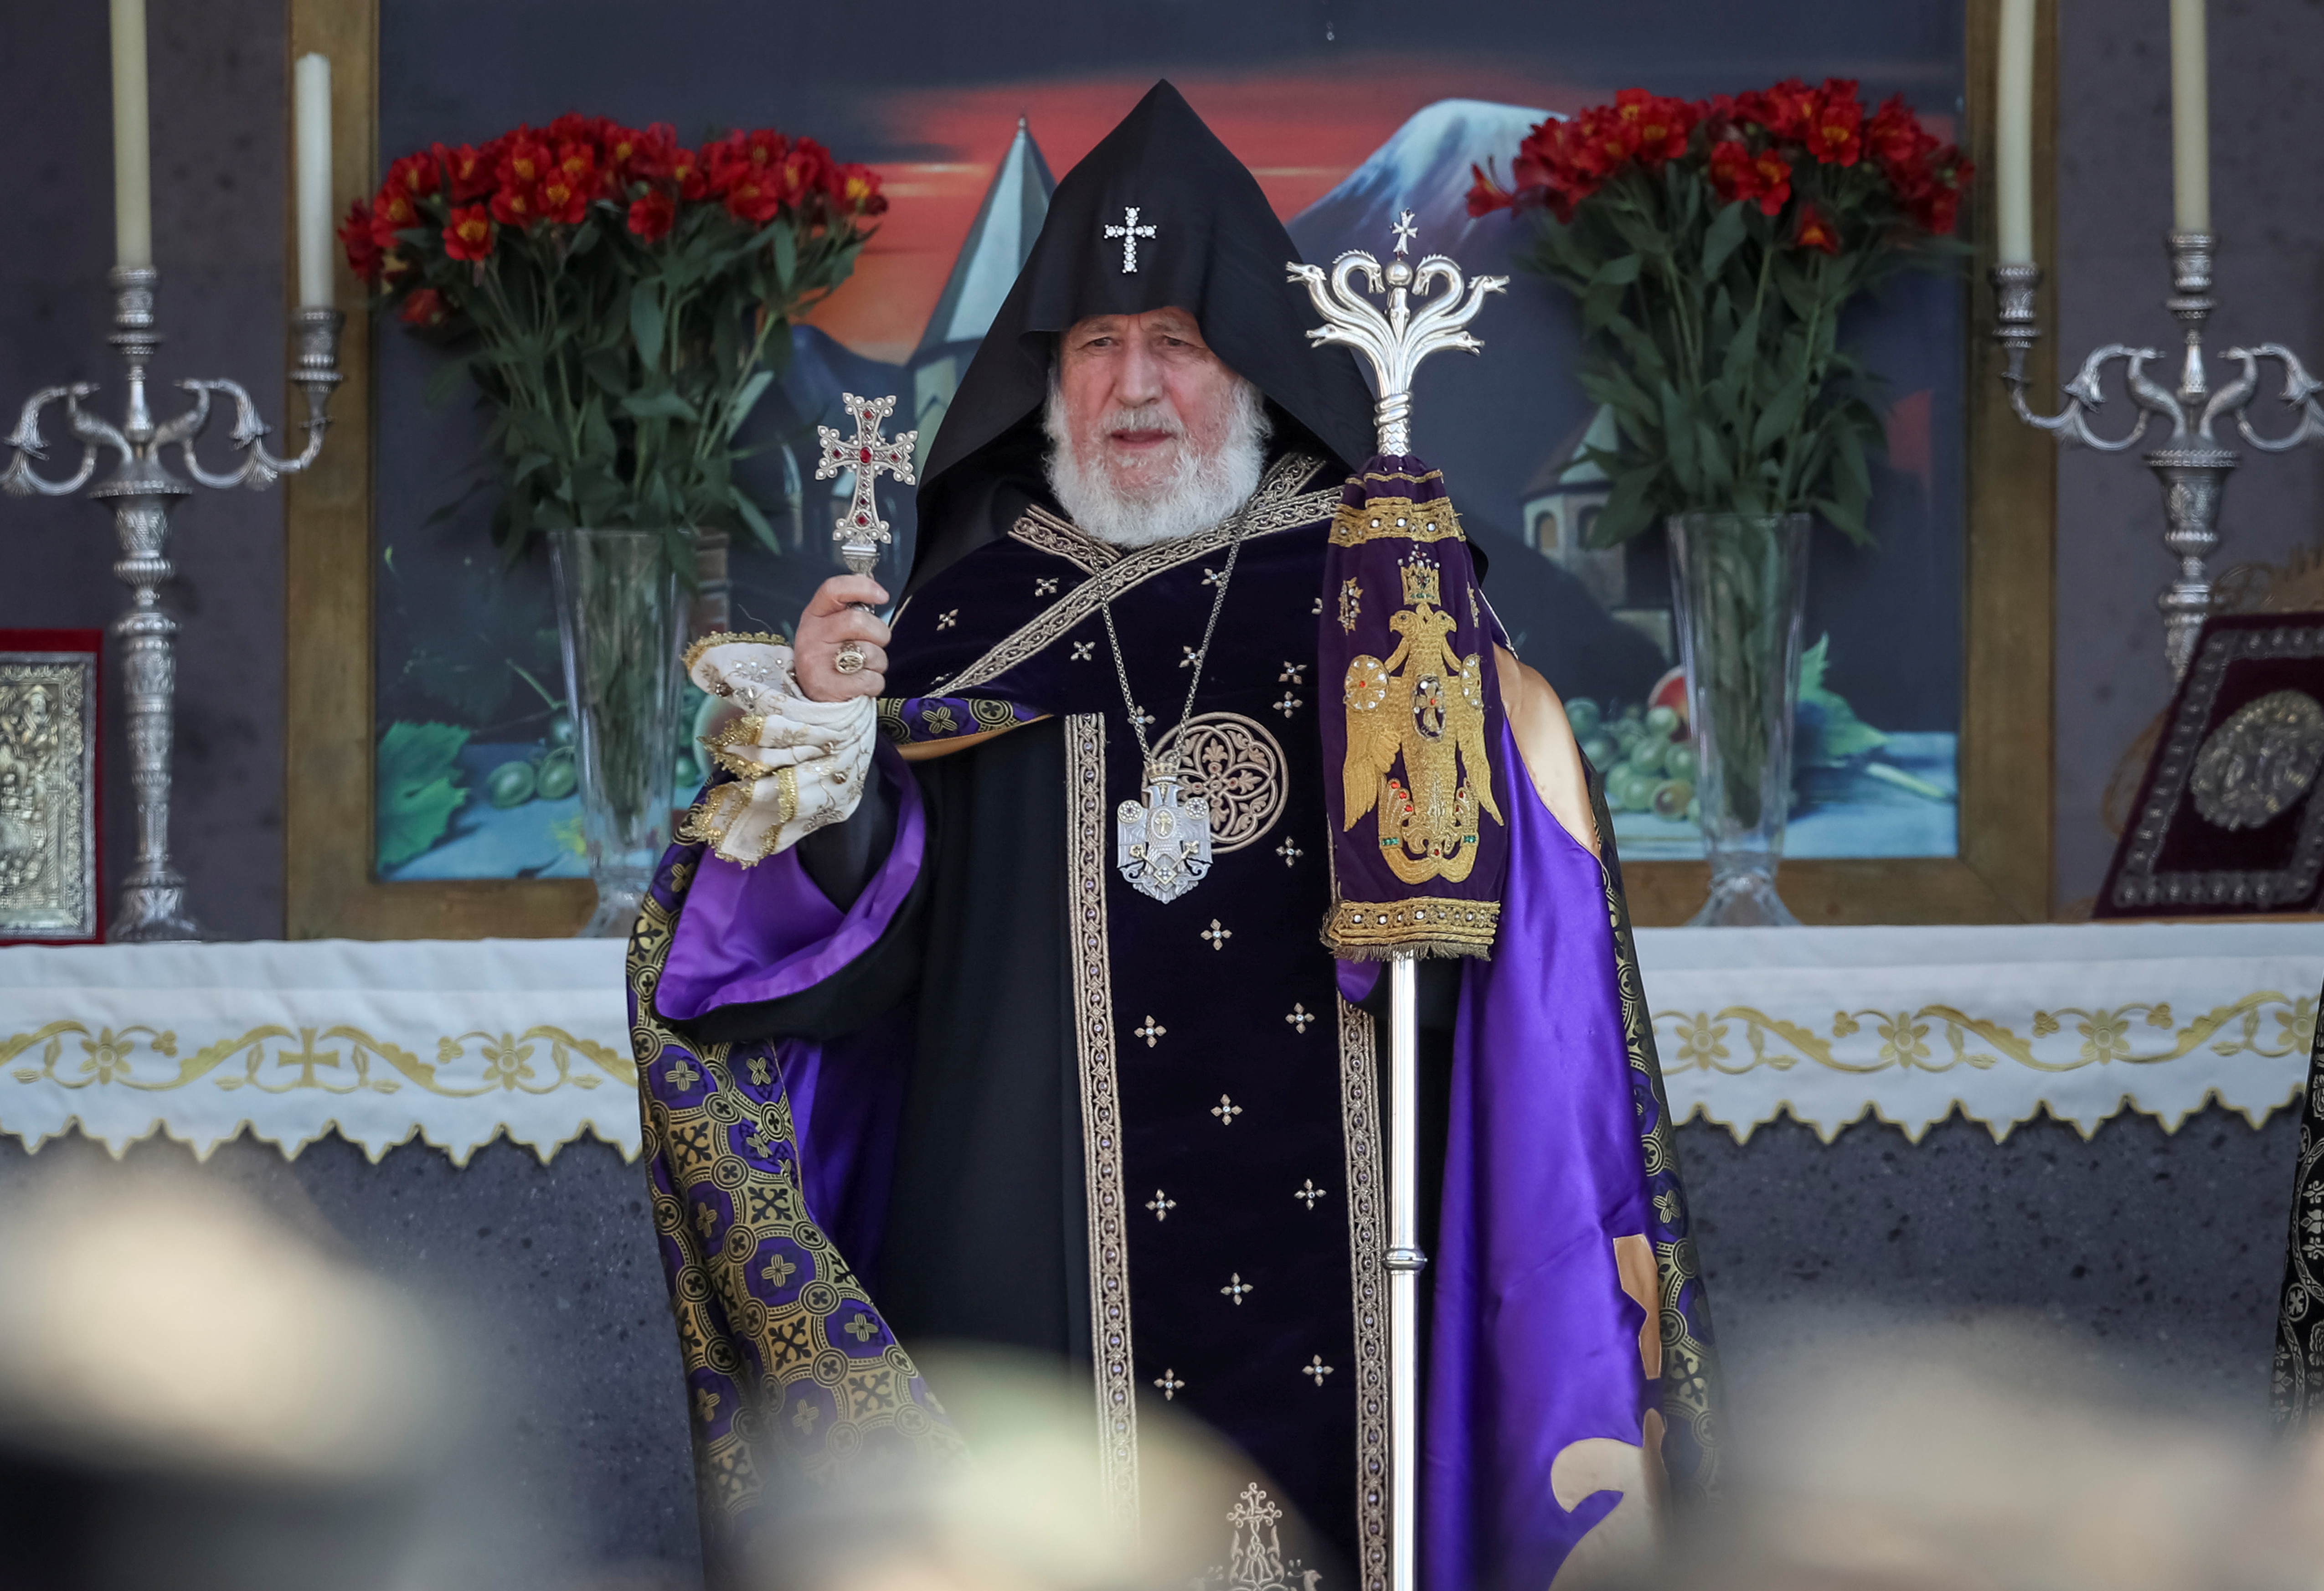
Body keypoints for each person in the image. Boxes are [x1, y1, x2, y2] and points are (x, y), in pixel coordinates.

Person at [630, 82, 1718, 1589]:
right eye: (1095, 346)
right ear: (1046, 382)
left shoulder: (1374, 591)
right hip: (1025, 1243)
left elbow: (1512, 919)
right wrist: (829, 743)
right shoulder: (957, 623)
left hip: (1354, 1230)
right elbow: (827, 962)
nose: (1133, 386)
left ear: (1256, 372)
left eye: (1177, 344)